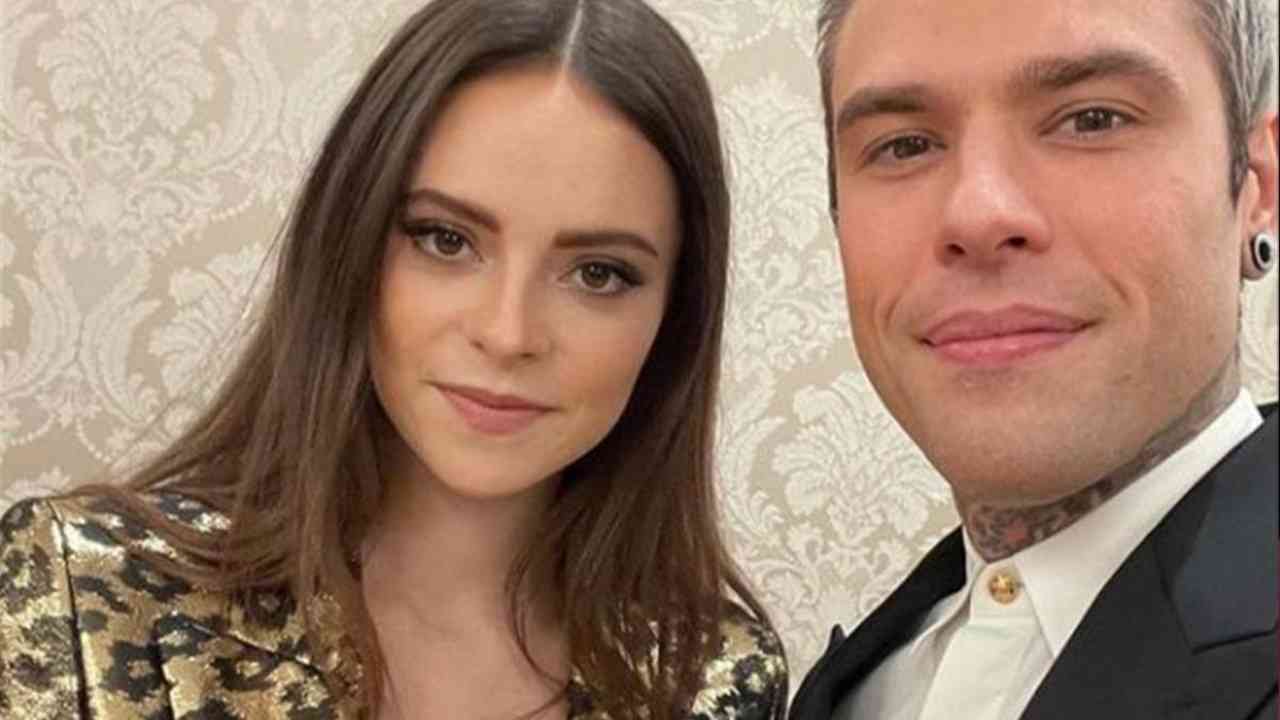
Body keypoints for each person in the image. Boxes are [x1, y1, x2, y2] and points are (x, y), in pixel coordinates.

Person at [0, 1, 788, 718]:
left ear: (674, 316)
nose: (508, 333)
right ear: (350, 244)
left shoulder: (709, 679)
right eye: (446, 240)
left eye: (598, 274)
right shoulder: (87, 592)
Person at [789, 0, 1278, 718]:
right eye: (904, 146)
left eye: (1092, 120)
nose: (978, 214)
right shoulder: (852, 688)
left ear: (1258, 186)